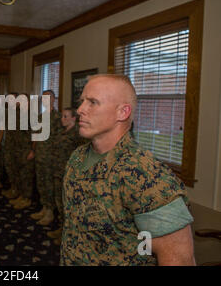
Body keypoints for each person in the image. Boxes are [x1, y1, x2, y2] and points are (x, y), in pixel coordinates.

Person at [60, 74, 195, 266]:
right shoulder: (78, 157)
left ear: (122, 112)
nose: (80, 110)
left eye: (92, 102)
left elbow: (178, 260)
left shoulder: (145, 174)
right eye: (82, 102)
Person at [47, 108, 85, 245]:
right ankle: (61, 229)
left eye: (65, 116)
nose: (62, 119)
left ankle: (67, 235)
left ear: (74, 118)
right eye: (62, 116)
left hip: (69, 175)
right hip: (57, 171)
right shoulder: (62, 131)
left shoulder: (78, 135)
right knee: (59, 203)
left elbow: (81, 157)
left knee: (67, 206)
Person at [29, 90, 62, 226]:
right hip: (40, 155)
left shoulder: (59, 118)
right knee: (41, 183)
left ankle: (50, 212)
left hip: (51, 157)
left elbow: (60, 141)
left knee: (49, 185)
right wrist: (33, 150)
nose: (46, 101)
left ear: (54, 100)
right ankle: (44, 207)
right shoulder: (40, 117)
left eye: (49, 98)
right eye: (44, 98)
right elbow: (35, 135)